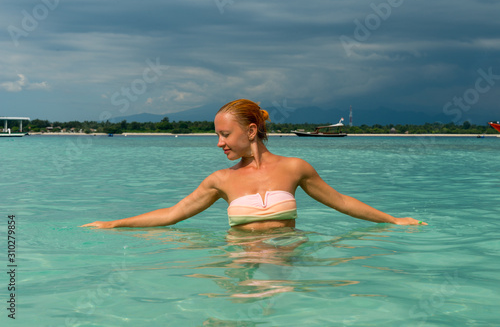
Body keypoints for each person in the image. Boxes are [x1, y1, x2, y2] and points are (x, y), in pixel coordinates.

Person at [82, 99, 427, 230]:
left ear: (250, 131)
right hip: (237, 263)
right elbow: (172, 214)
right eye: (216, 135)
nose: (219, 143)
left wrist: (394, 220)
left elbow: (343, 203)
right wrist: (113, 224)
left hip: (285, 259)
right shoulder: (219, 181)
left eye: (224, 135)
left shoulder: (295, 168)